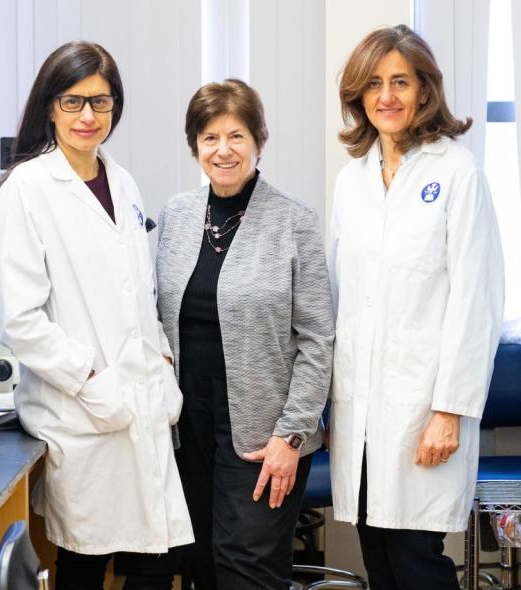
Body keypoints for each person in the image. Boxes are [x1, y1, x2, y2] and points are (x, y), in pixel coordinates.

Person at [0, 41, 192, 590]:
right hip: (81, 412)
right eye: (73, 101)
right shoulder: (27, 189)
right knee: (83, 563)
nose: (87, 117)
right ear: (50, 106)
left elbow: (138, 294)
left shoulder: (120, 182)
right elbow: (17, 317)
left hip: (142, 403)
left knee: (158, 559)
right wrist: (91, 380)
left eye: (100, 103)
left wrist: (163, 365)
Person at [328, 25, 505, 589]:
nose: (387, 97)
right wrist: (334, 409)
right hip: (360, 412)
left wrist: (450, 410)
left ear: (425, 90)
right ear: (358, 95)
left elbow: (476, 303)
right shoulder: (351, 181)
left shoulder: (457, 174)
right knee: (377, 559)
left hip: (423, 412)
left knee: (417, 562)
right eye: (374, 84)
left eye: (400, 82)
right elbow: (338, 299)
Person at [155, 79, 334, 589]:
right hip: (187, 429)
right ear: (195, 146)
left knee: (247, 568)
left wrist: (291, 436)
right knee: (199, 563)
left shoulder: (293, 221)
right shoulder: (177, 215)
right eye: (210, 137)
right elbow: (158, 317)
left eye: (236, 135)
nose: (223, 150)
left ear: (259, 141)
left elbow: (318, 339)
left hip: (264, 434)